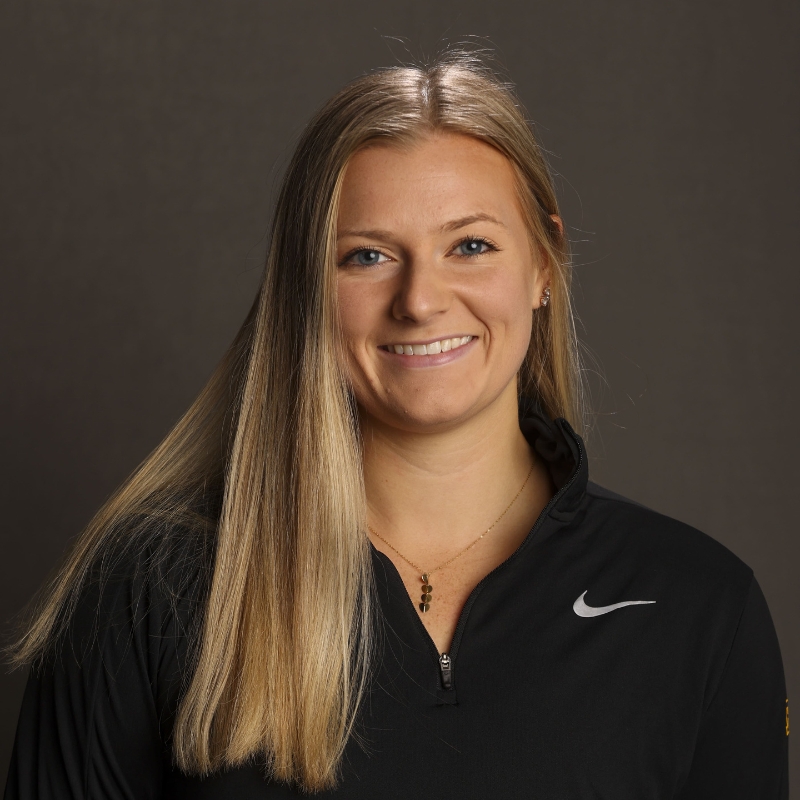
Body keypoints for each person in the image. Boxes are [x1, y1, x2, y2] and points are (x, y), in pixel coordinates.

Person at [4, 52, 789, 799]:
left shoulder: (697, 606)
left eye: (471, 246)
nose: (421, 299)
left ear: (545, 264)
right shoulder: (149, 592)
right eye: (368, 257)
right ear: (306, 287)